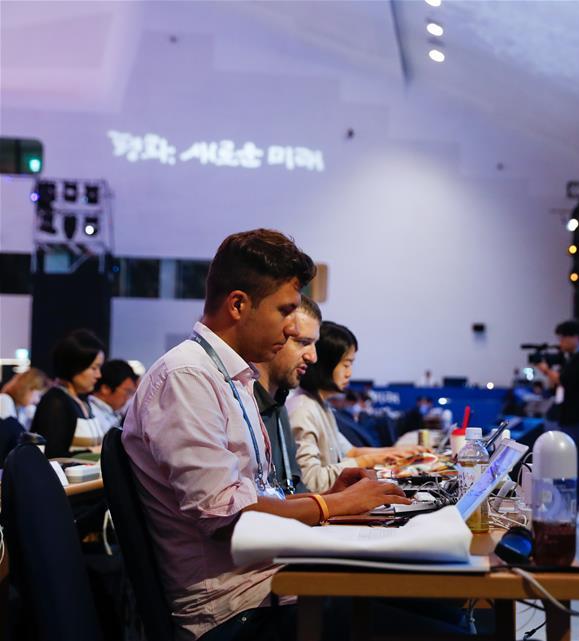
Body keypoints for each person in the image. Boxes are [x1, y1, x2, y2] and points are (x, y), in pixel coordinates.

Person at [122, 229, 410, 641]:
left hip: (268, 588)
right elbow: (226, 516)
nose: (292, 327)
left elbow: (253, 496)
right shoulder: (187, 377)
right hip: (235, 613)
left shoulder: (229, 377)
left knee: (419, 602)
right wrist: (332, 505)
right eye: (285, 311)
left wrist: (328, 500)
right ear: (238, 305)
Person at [288, 321, 423, 493]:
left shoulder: (321, 405)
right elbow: (312, 482)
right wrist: (368, 461)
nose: (350, 373)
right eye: (346, 364)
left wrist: (399, 452)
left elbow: (350, 452)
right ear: (325, 364)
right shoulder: (303, 410)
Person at [253, 295, 321, 495]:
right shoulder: (240, 402)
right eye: (303, 342)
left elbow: (292, 492)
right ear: (275, 337)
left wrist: (337, 497)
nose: (313, 357)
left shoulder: (279, 405)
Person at [536, 320, 579, 524]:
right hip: (569, 419)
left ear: (575, 337)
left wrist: (545, 370)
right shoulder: (571, 360)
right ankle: (573, 505)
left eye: (564, 337)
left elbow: (564, 381)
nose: (561, 342)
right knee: (569, 466)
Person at [32, 329, 106, 458]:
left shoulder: (82, 400)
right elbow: (52, 455)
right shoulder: (55, 402)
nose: (98, 375)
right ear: (75, 366)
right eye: (94, 368)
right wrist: (93, 453)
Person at [88, 359, 138, 433]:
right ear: (106, 389)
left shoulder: (113, 414)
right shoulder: (90, 414)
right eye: (127, 391)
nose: (129, 398)